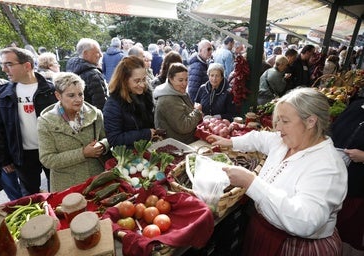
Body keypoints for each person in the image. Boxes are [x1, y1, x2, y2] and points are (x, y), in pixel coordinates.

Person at [207, 87, 347, 256]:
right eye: (277, 120)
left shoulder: (328, 167)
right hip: (263, 229)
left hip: (295, 246)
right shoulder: (285, 141)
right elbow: (259, 138)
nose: (278, 128)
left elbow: (306, 221)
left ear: (311, 121)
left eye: (285, 121)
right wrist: (230, 142)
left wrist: (251, 182)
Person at [0, 47, 57, 195]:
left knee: (58, 191)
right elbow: (0, 129)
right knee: (31, 196)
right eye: (2, 64)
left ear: (27, 66)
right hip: (22, 156)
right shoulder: (2, 94)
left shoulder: (51, 90)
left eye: (9, 64)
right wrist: (4, 159)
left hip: (51, 151)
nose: (4, 69)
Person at [37, 72, 109, 192]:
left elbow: (107, 139)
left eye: (81, 94)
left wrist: (102, 145)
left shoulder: (95, 114)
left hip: (97, 180)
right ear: (58, 96)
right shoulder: (45, 122)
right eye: (71, 95)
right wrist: (83, 153)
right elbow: (47, 159)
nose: (78, 99)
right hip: (66, 185)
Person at [331, 88, 364, 255]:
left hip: (356, 187)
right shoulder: (357, 105)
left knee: (348, 230)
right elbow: (334, 129)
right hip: (335, 180)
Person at [103, 56, 156, 148]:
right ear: (124, 81)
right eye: (137, 81)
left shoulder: (145, 95)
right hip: (129, 156)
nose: (142, 85)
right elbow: (114, 139)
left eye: (144, 79)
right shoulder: (113, 105)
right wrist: (145, 134)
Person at [154, 63, 203, 144]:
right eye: (180, 80)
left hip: (186, 142)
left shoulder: (179, 91)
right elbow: (184, 126)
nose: (184, 83)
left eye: (186, 79)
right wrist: (197, 112)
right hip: (178, 147)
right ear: (170, 79)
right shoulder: (168, 101)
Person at [66, 38, 107, 110]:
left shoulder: (71, 68)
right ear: (86, 53)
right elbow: (101, 104)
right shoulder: (93, 75)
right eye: (97, 52)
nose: (100, 55)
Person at [0, 77, 22, 201]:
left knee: (19, 191)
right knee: (16, 195)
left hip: (8, 153)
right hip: (4, 158)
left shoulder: (3, 87)